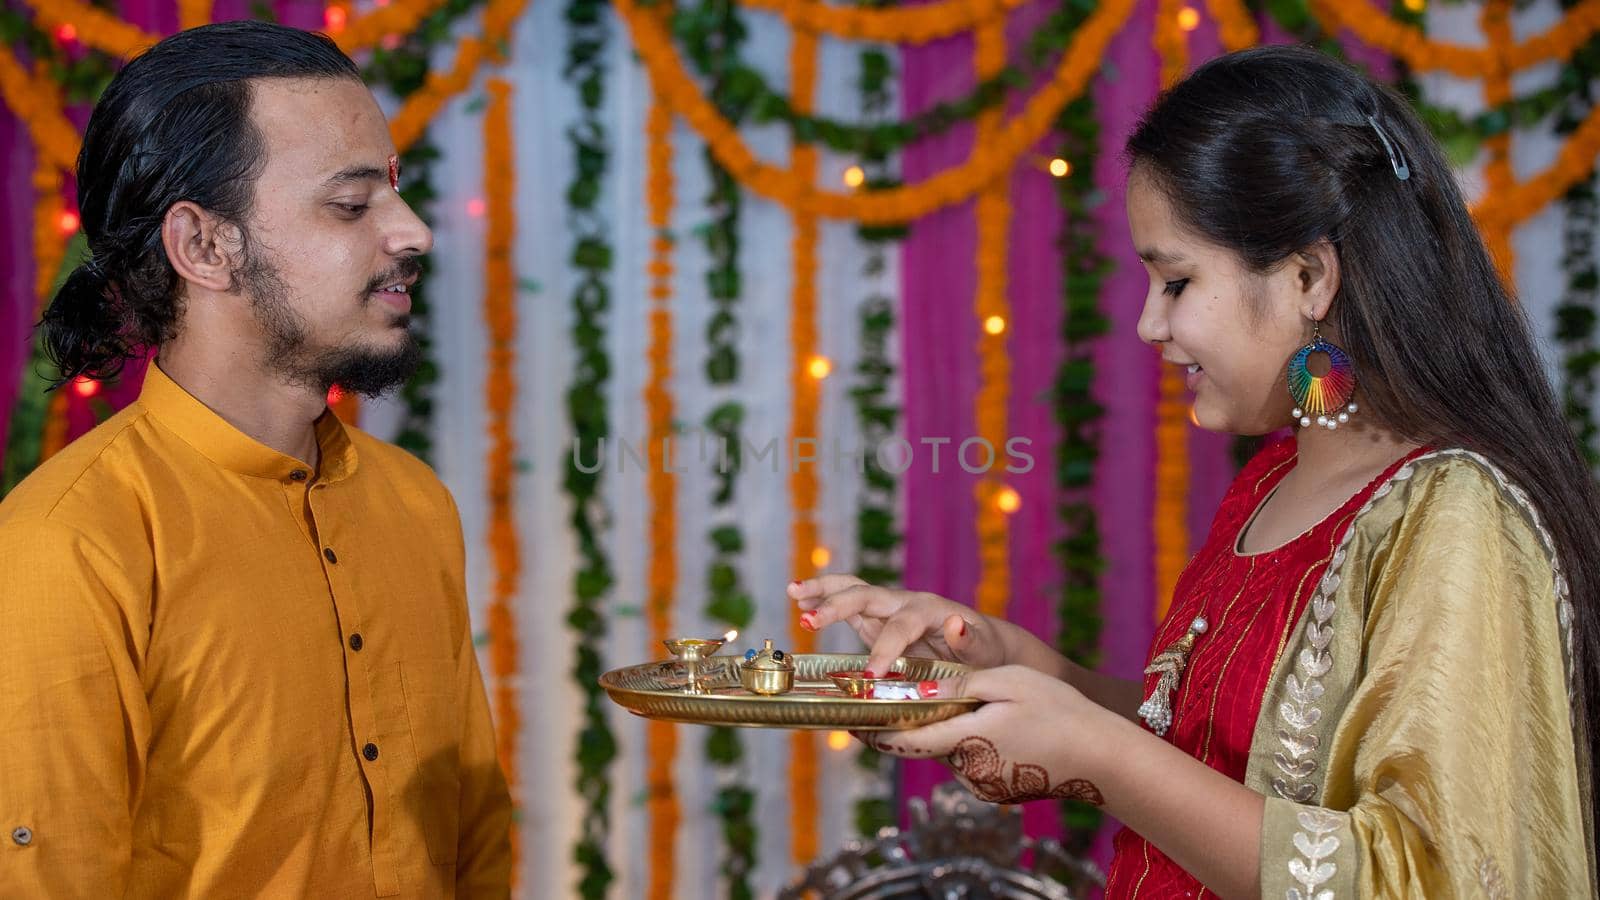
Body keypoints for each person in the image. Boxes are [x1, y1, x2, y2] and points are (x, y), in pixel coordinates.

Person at [792, 46, 1596, 897]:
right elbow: (1224, 756)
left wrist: (1100, 755)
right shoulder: (1271, 481)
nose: (1148, 324)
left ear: (1308, 276)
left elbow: (1429, 877)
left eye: (1176, 281)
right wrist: (1029, 673)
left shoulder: (1454, 514)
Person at [0, 22, 511, 897]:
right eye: (351, 205)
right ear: (202, 246)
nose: (414, 232)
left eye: (392, 193)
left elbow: (476, 844)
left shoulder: (415, 504)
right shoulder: (69, 545)